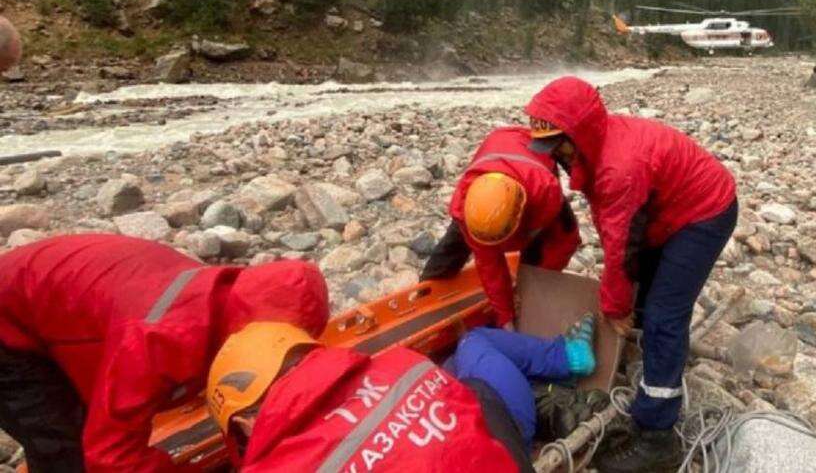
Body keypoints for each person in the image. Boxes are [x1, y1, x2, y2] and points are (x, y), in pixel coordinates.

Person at [524, 77, 738, 472]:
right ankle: (646, 362)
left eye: (558, 145)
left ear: (579, 134)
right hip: (665, 208)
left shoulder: (618, 168)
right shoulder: (594, 144)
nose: (555, 156)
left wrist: (615, 306)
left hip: (703, 212)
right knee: (639, 294)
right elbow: (622, 242)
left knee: (664, 316)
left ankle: (657, 436)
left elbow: (620, 248)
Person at [0, 234, 330, 473]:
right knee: (65, 451)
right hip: (9, 330)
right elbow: (109, 455)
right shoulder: (156, 340)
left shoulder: (229, 293)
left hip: (64, 295)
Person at [205, 315, 598, 472]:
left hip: (499, 437)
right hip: (506, 442)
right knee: (474, 350)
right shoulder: (400, 365)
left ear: (243, 423)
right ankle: (565, 367)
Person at [421, 126, 581, 328]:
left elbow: (565, 242)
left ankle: (528, 289)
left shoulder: (545, 192)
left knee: (536, 257)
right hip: (500, 150)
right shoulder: (465, 205)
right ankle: (425, 295)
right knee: (453, 245)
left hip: (530, 165)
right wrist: (505, 316)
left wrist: (534, 283)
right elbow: (489, 264)